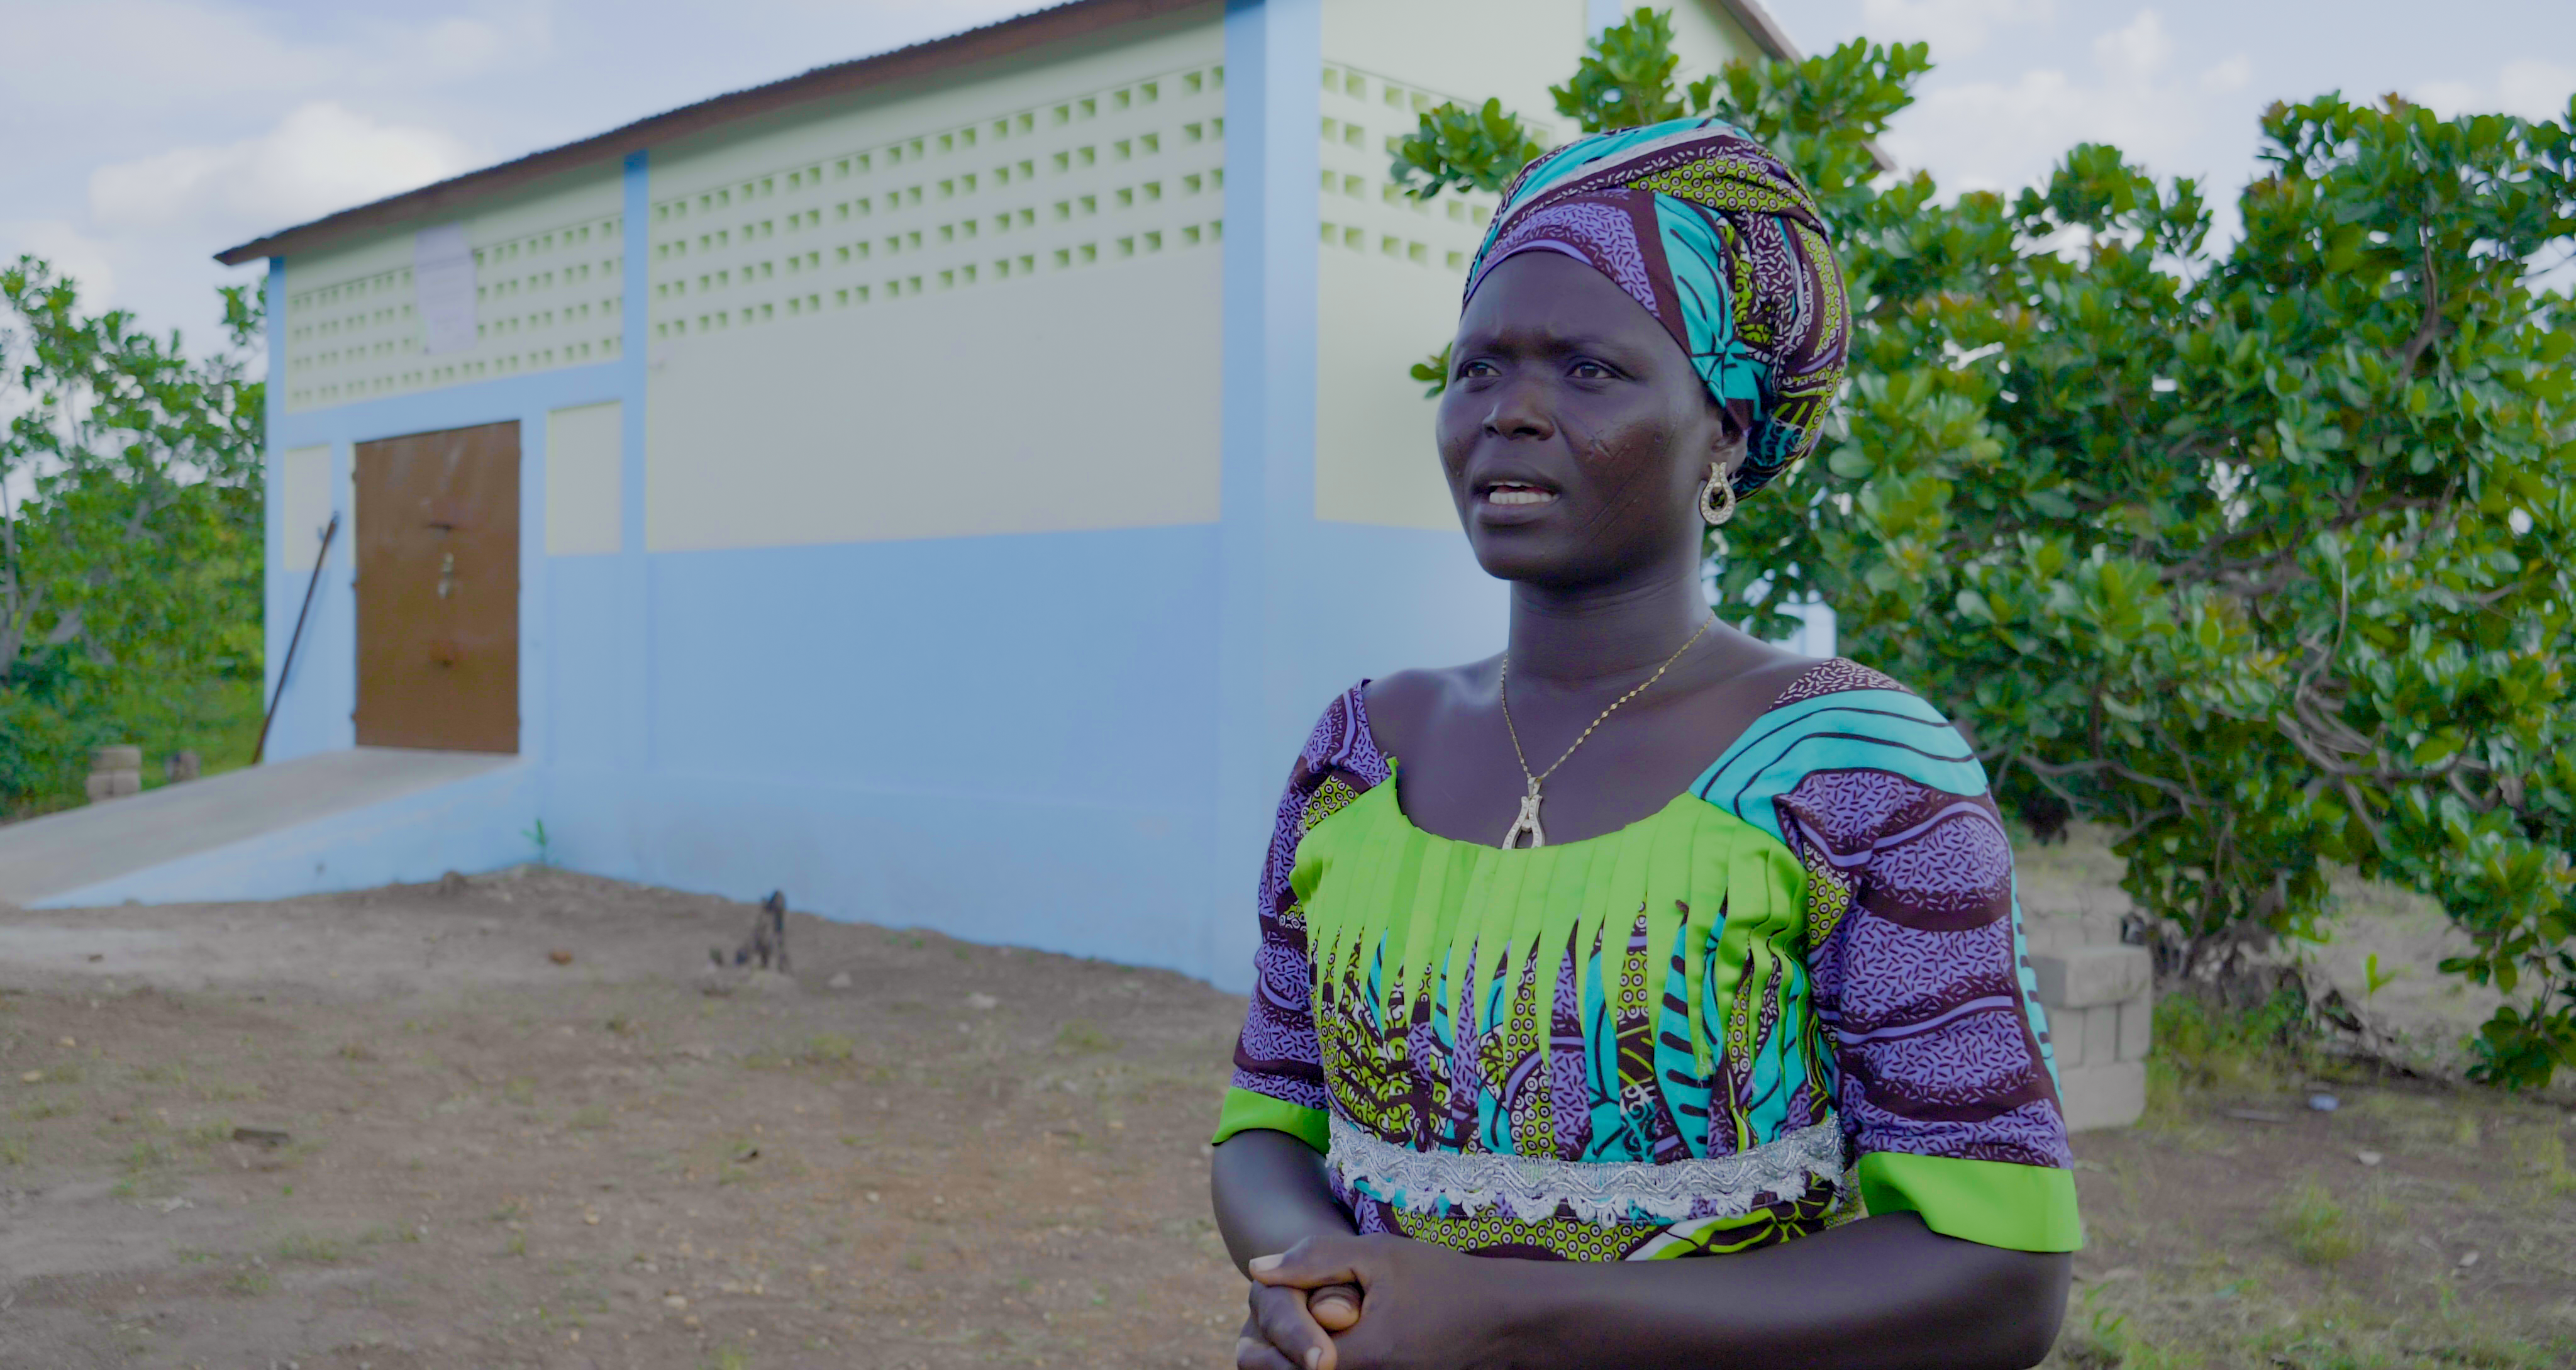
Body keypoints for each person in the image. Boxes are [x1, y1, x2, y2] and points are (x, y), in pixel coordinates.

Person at [1208, 117, 2080, 1370]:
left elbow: (1998, 1273)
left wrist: (1506, 1324)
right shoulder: (1360, 751)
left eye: (1587, 370)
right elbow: (1267, 1124)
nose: (1510, 412)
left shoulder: (1856, 767)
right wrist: (1328, 1301)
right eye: (1476, 368)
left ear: (1724, 427)